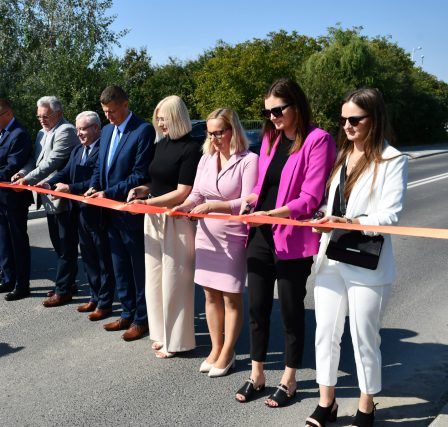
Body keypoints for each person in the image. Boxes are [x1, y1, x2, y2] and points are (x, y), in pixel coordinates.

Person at [305, 88, 408, 427]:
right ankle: (327, 403)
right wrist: (324, 217)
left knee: (364, 336)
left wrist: (346, 222)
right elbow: (334, 205)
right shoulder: (342, 156)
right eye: (343, 119)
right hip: (330, 258)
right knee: (326, 332)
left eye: (355, 119)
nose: (347, 125)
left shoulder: (392, 160)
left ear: (373, 119)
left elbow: (388, 216)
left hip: (366, 262)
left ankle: (366, 406)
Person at [235, 78, 336, 406]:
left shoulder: (318, 140)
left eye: (278, 110)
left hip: (292, 236)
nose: (272, 117)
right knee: (257, 307)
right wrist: (251, 200)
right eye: (267, 113)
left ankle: (290, 379)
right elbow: (264, 184)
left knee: (292, 310)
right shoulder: (269, 138)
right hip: (261, 233)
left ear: (296, 105)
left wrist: (276, 212)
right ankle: (257, 374)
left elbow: (310, 197)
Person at [172, 108, 258, 373]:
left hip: (232, 235)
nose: (215, 138)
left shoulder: (249, 160)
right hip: (206, 234)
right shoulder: (206, 158)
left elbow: (247, 202)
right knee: (210, 295)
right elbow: (196, 193)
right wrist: (184, 207)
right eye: (210, 133)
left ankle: (229, 352)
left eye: (220, 132)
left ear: (233, 130)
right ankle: (216, 347)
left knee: (231, 297)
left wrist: (213, 207)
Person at [127, 95, 201, 358]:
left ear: (177, 117)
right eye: (157, 117)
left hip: (176, 220)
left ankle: (177, 341)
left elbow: (183, 191)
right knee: (155, 280)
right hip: (153, 217)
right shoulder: (161, 145)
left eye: (164, 117)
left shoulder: (192, 148)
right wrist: (141, 190)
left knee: (175, 282)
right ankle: (160, 333)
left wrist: (149, 201)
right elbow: (155, 181)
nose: (159, 122)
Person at [85, 85, 155, 342]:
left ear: (125, 104)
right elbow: (99, 166)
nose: (108, 116)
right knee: (119, 266)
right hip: (109, 213)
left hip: (129, 212)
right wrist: (95, 186)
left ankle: (142, 318)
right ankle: (126, 312)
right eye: (105, 112)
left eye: (112, 111)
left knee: (138, 269)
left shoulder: (143, 130)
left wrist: (109, 193)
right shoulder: (105, 131)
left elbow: (139, 174)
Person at [47, 111, 115, 321]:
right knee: (88, 258)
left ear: (96, 128)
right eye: (77, 129)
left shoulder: (102, 151)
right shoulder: (77, 150)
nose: (80, 133)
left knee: (103, 260)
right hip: (79, 212)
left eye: (84, 129)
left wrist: (70, 188)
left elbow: (96, 183)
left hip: (98, 214)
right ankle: (94, 297)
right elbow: (65, 172)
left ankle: (105, 303)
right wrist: (48, 183)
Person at [11, 96, 78, 307]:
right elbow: (35, 158)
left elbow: (53, 161)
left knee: (66, 246)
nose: (41, 120)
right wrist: (22, 172)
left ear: (58, 114)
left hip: (62, 198)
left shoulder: (66, 130)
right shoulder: (42, 132)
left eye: (45, 116)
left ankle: (63, 289)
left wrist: (28, 179)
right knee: (59, 244)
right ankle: (68, 282)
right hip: (47, 198)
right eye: (39, 116)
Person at [0, 98, 34, 301]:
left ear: (8, 114)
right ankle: (8, 278)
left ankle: (22, 284)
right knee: (3, 241)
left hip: (14, 199)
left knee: (17, 242)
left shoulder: (18, 134)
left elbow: (11, 167)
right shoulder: (0, 132)